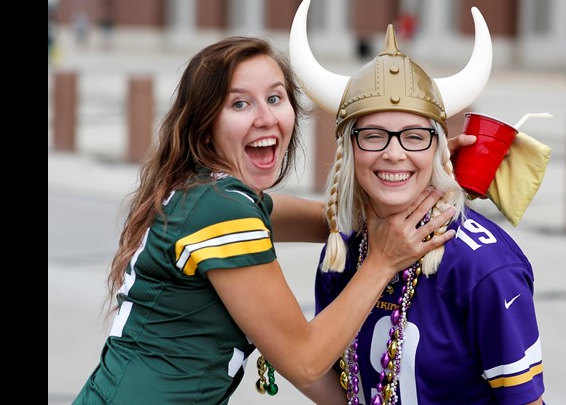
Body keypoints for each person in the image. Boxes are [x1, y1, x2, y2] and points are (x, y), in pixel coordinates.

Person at [71, 36, 460, 404]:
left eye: (275, 98)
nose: (265, 118)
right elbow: (305, 360)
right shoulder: (220, 211)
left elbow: (340, 221)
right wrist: (383, 262)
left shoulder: (213, 194)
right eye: (240, 104)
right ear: (204, 126)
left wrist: (423, 171)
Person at [289, 0, 545, 404]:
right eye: (373, 135)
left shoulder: (483, 268)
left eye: (414, 136)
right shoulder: (342, 252)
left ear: (439, 149)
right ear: (347, 150)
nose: (394, 154)